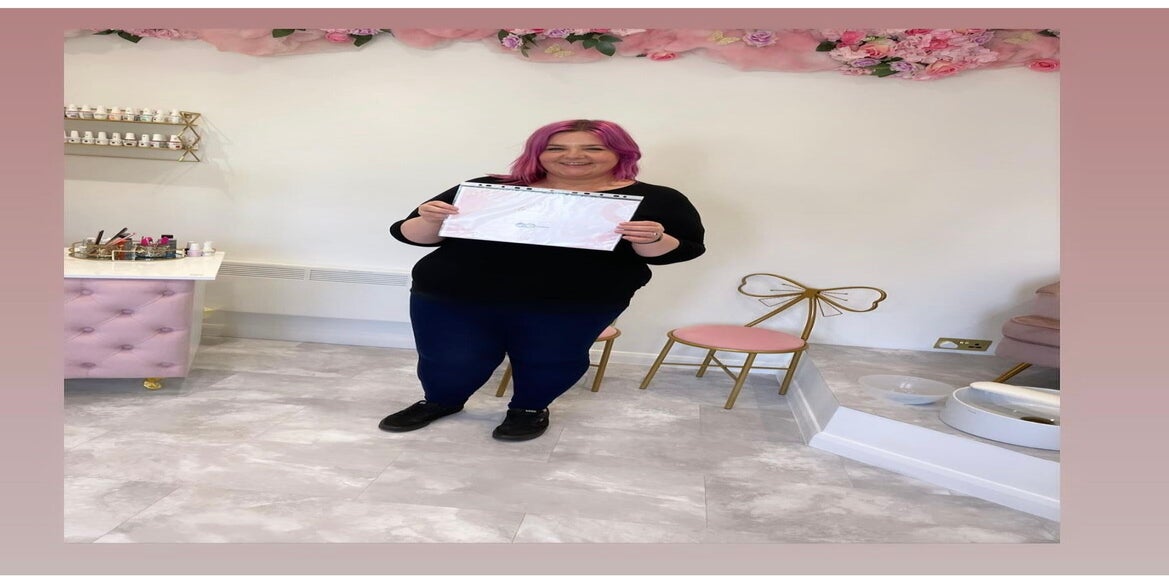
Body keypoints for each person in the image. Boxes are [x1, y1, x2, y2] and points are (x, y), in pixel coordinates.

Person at [380, 119, 706, 441]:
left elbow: (679, 251)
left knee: (550, 361)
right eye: (556, 148)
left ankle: (529, 409)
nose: (574, 155)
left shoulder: (658, 199)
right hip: (452, 296)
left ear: (621, 153)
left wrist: (652, 238)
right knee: (449, 358)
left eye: (594, 148)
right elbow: (410, 234)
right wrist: (429, 218)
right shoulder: (488, 188)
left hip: (572, 304)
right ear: (537, 153)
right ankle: (439, 401)